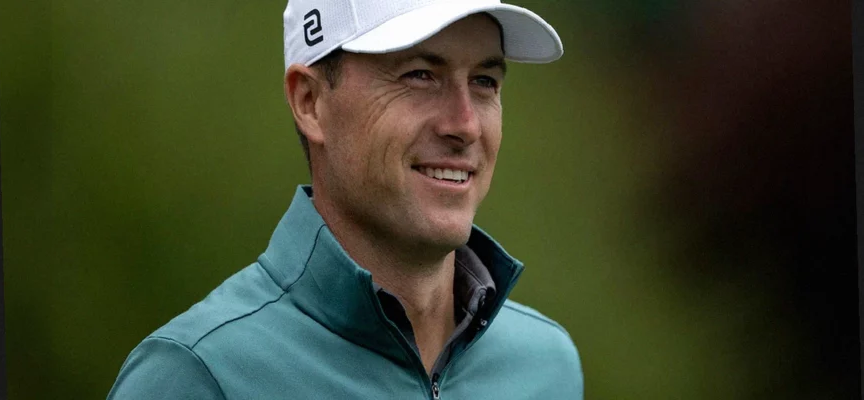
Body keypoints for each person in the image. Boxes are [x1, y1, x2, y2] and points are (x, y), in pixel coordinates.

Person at [107, 0, 583, 398]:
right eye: (420, 75)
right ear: (310, 102)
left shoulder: (546, 367)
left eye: (484, 81)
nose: (465, 125)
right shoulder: (197, 375)